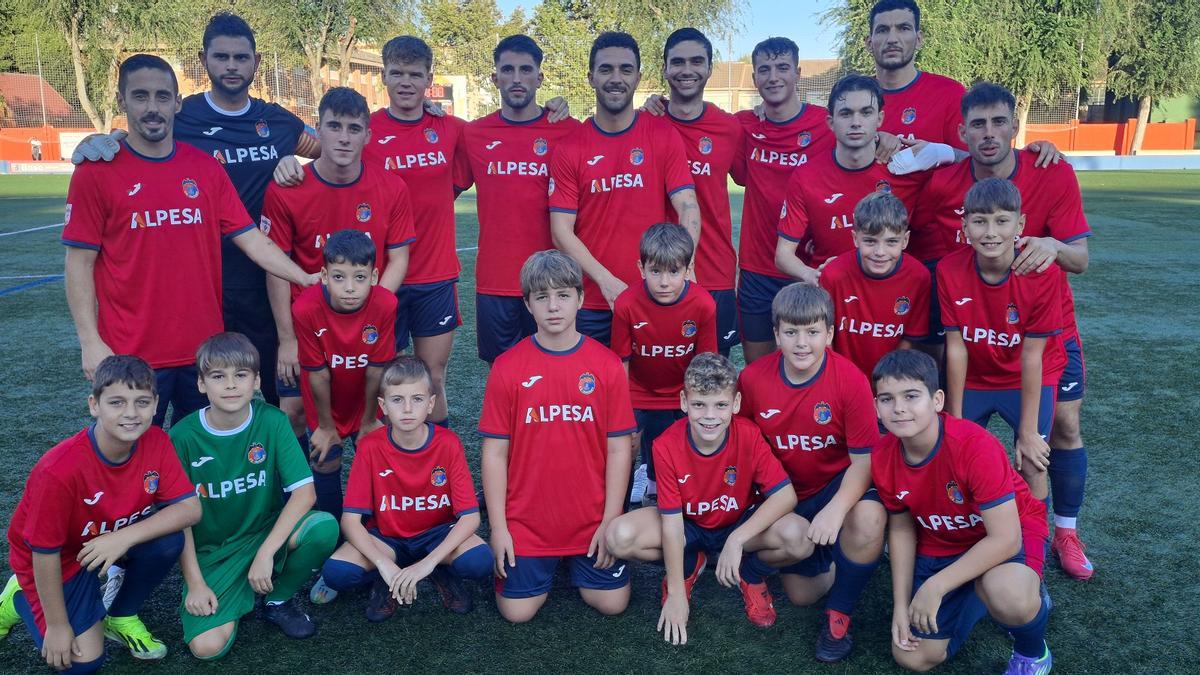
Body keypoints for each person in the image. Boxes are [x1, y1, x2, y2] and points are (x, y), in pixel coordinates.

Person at [71, 13, 322, 405]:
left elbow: (328, 150)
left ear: (256, 62)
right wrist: (101, 139)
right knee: (138, 435)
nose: (232, 66)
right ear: (203, 60)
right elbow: (80, 261)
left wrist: (298, 166)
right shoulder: (154, 134)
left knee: (246, 408)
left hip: (254, 290)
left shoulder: (270, 126)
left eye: (241, 58)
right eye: (221, 57)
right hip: (183, 302)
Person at [916, 82, 1095, 579]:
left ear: (1016, 126)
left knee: (1058, 432)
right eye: (978, 124)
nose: (989, 133)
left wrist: (1051, 247)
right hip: (978, 342)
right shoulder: (944, 184)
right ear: (962, 132)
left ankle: (1062, 533)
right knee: (959, 448)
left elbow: (1080, 258)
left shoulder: (1049, 169)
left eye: (999, 122)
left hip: (1042, 336)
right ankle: (973, 537)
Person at [277, 35, 467, 427]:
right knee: (386, 383)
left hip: (433, 275)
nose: (405, 82)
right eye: (396, 73)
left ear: (430, 77)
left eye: (415, 74)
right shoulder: (368, 128)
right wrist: (286, 162)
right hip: (377, 281)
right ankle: (382, 468)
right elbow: (328, 153)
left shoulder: (449, 127)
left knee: (431, 379)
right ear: (384, 76)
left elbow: (503, 133)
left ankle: (433, 469)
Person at [0, 355, 201, 669]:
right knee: (83, 663)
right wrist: (57, 625)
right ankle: (19, 596)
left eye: (142, 402)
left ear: (156, 403)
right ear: (94, 404)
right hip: (61, 560)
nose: (131, 413)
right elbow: (43, 551)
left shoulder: (157, 441)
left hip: (108, 540)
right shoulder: (58, 470)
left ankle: (120, 614)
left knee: (169, 539)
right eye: (117, 402)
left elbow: (189, 509)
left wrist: (122, 538)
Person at [870, 349, 1052, 673]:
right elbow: (900, 529)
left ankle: (1031, 649)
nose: (898, 408)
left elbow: (1006, 539)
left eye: (911, 396)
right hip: (942, 544)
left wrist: (936, 585)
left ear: (937, 400)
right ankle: (975, 594)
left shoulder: (973, 445)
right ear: (877, 407)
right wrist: (900, 606)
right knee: (911, 656)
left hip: (1009, 534)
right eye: (886, 399)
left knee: (1009, 596)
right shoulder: (883, 456)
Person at [606, 352, 807, 641]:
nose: (710, 416)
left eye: (720, 405)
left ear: (735, 404)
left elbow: (786, 496)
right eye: (699, 404)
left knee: (800, 536)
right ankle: (690, 566)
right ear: (684, 402)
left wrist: (737, 539)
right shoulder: (665, 446)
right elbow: (672, 524)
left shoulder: (748, 435)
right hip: (689, 527)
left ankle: (749, 574)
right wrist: (676, 593)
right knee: (619, 536)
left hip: (737, 523)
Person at [479, 250, 636, 622]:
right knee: (517, 613)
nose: (553, 306)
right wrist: (499, 529)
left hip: (591, 518)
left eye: (563, 295)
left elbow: (619, 450)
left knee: (613, 605)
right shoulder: (507, 367)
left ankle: (575, 557)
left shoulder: (607, 365)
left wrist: (610, 520)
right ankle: (546, 558)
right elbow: (494, 454)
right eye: (542, 297)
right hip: (529, 523)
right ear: (527, 304)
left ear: (581, 299)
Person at [737, 283, 885, 661]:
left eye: (812, 332)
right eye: (791, 332)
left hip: (835, 485)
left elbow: (864, 460)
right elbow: (744, 448)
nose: (802, 343)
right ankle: (754, 569)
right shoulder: (753, 379)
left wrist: (835, 510)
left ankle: (839, 617)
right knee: (802, 595)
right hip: (784, 492)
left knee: (868, 519)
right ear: (776, 334)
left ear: (830, 334)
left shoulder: (850, 379)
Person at [261, 86, 415, 445]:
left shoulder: (391, 188)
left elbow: (399, 258)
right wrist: (287, 340)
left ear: (367, 134)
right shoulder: (287, 189)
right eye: (334, 126)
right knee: (295, 409)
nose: (344, 138)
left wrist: (371, 310)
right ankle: (303, 495)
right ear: (318, 128)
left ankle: (374, 493)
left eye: (353, 128)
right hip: (307, 324)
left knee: (377, 408)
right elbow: (276, 266)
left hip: (369, 322)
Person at [170, 332, 338, 657]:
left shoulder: (272, 421)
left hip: (264, 535)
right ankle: (238, 591)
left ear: (257, 381)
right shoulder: (182, 436)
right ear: (202, 384)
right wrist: (194, 583)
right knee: (206, 648)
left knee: (323, 527)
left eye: (241, 375)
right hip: (213, 552)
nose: (231, 385)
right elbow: (178, 518)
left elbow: (304, 493)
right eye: (218, 376)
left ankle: (277, 599)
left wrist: (265, 554)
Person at [549, 31, 701, 345]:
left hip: (655, 296)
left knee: (655, 391)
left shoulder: (662, 135)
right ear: (591, 77)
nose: (616, 78)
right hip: (593, 302)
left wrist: (685, 267)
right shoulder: (570, 147)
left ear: (638, 77)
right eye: (606, 69)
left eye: (625, 69)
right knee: (593, 393)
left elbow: (687, 205)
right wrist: (606, 282)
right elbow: (560, 230)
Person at [319, 356, 491, 620]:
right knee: (337, 573)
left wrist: (428, 562)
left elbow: (470, 517)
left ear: (431, 403)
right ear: (383, 406)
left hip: (436, 535)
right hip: (388, 539)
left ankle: (438, 571)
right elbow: (351, 521)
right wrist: (383, 563)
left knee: (479, 561)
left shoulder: (448, 443)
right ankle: (385, 579)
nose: (408, 409)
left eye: (418, 399)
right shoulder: (371, 447)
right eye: (397, 400)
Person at [938, 178, 1066, 503]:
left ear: (1020, 223)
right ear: (965, 224)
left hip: (1024, 377)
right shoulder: (949, 269)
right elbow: (956, 348)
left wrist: (1027, 431)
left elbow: (1032, 357)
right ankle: (970, 538)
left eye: (1001, 221)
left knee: (1033, 460)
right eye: (979, 221)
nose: (990, 232)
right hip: (975, 379)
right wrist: (953, 416)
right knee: (954, 456)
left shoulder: (1043, 272)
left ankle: (1031, 549)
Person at [459, 34, 581, 364]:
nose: (516, 78)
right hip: (495, 281)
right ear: (494, 77)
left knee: (555, 369)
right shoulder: (473, 134)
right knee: (501, 374)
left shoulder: (569, 130)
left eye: (526, 70)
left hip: (552, 282)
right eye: (507, 70)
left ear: (539, 78)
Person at [775, 74, 943, 285]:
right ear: (831, 122)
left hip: (892, 296)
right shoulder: (806, 176)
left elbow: (976, 164)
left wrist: (943, 151)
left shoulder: (907, 166)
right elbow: (783, 255)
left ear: (879, 119)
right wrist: (812, 275)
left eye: (866, 112)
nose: (856, 122)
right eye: (846, 113)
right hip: (831, 293)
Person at [641, 28, 746, 355]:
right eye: (678, 62)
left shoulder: (730, 128)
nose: (687, 70)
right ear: (665, 69)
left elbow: (750, 174)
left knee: (713, 376)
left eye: (697, 61)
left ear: (710, 67)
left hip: (714, 273)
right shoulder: (645, 123)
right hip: (657, 274)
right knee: (654, 374)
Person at [734, 37, 834, 362]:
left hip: (808, 268)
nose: (773, 76)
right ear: (754, 79)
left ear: (798, 73)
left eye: (782, 68)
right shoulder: (744, 125)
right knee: (758, 370)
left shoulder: (826, 123)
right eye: (764, 69)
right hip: (757, 271)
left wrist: (887, 137)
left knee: (813, 366)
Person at [291, 230, 398, 520]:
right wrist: (326, 427)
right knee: (326, 460)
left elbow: (377, 368)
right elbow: (318, 374)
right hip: (325, 403)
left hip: (365, 401)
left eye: (359, 278)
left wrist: (368, 420)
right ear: (324, 276)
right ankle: (333, 532)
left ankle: (379, 528)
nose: (349, 287)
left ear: (374, 276)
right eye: (339, 277)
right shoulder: (305, 308)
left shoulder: (386, 304)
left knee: (378, 458)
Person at [611, 223, 717, 506]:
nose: (664, 282)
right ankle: (618, 509)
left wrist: (697, 406)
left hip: (682, 391)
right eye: (655, 271)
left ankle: (683, 494)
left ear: (689, 268)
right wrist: (624, 414)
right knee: (624, 443)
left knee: (691, 442)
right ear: (641, 268)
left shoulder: (703, 304)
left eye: (673, 272)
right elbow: (622, 363)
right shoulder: (626, 304)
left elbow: (704, 365)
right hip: (639, 391)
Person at [819, 191, 931, 377]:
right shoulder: (834, 275)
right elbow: (825, 339)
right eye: (870, 241)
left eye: (891, 242)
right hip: (841, 376)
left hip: (892, 376)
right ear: (855, 238)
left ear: (905, 240)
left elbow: (910, 339)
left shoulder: (918, 277)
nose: (880, 252)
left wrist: (887, 380)